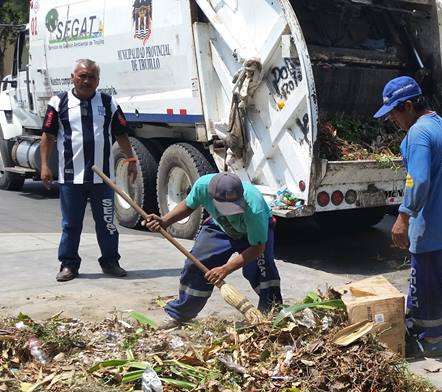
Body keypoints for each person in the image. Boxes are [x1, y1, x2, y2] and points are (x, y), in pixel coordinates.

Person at [374, 76, 442, 358]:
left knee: (425, 286)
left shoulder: (418, 133)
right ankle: (419, 332)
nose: (392, 119)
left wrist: (403, 216)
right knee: (428, 283)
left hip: (431, 226)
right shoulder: (439, 124)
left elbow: (419, 179)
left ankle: (432, 342)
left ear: (409, 105)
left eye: (394, 112)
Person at [40, 59, 137, 282]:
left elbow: (121, 133)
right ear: (72, 77)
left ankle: (110, 261)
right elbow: (48, 135)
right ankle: (69, 264)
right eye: (82, 76)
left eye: (91, 77)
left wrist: (131, 158)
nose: (86, 80)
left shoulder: (107, 102)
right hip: (71, 178)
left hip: (103, 179)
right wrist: (45, 166)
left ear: (98, 81)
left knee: (107, 223)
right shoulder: (59, 101)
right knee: (71, 224)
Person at [144, 172, 282, 329]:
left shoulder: (254, 208)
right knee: (195, 265)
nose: (232, 211)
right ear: (212, 197)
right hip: (220, 227)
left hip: (254, 234)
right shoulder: (202, 186)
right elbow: (189, 205)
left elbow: (258, 247)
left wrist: (226, 269)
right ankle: (181, 315)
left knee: (264, 272)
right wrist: (164, 221)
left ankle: (272, 315)